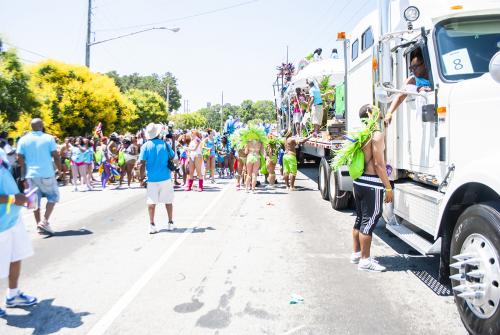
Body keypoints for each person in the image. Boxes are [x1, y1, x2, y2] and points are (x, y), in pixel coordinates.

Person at [351, 104, 393, 272]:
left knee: (360, 219)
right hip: (371, 183)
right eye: (375, 109)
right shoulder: (376, 135)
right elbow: (378, 164)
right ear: (369, 113)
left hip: (359, 182)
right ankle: (365, 261)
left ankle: (356, 254)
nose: (379, 110)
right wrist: (388, 187)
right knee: (369, 222)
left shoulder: (360, 135)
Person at [0, 151, 37, 317]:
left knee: (16, 256)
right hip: (1, 225)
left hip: (13, 219)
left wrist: (23, 195)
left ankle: (13, 295)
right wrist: (13, 199)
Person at [16, 118, 61, 235]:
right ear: (42, 125)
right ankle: (44, 221)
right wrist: (60, 169)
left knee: (35, 202)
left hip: (31, 175)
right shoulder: (48, 138)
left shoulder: (23, 140)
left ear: (31, 127)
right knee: (53, 197)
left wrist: (24, 170)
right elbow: (55, 155)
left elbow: (19, 157)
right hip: (46, 173)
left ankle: (39, 225)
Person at [139, 123, 176, 234]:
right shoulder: (165, 144)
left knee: (151, 201)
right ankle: (170, 222)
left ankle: (152, 224)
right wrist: (173, 141)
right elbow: (173, 156)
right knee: (168, 201)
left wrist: (141, 178)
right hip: (165, 176)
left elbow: (142, 163)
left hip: (152, 178)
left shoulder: (145, 146)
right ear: (158, 133)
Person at [384, 49, 432, 125]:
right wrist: (389, 113)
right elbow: (400, 96)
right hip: (424, 116)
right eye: (411, 68)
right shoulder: (412, 80)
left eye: (415, 67)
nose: (413, 70)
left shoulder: (432, 75)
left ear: (424, 64)